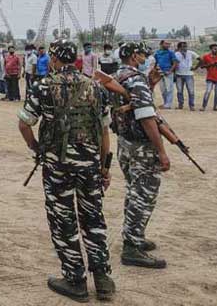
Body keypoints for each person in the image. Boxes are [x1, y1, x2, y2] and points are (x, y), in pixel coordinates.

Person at [17, 39, 115, 303]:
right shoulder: (96, 87)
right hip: (90, 165)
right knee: (93, 218)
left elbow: (24, 124)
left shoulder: (43, 86)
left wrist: (37, 148)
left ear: (55, 59)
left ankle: (75, 280)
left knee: (63, 220)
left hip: (57, 165)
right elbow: (104, 132)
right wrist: (105, 167)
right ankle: (103, 280)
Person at [110, 42, 170, 270]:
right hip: (141, 146)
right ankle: (132, 247)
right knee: (144, 195)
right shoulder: (135, 79)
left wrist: (151, 82)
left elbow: (132, 103)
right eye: (143, 54)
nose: (146, 57)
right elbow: (146, 117)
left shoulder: (119, 76)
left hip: (125, 143)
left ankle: (134, 235)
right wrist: (161, 150)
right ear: (135, 56)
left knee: (134, 191)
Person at [197, 43, 217, 111]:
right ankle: (203, 106)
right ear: (211, 49)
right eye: (214, 49)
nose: (216, 50)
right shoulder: (206, 57)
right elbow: (202, 66)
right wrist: (210, 64)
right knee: (208, 91)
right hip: (210, 77)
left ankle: (215, 107)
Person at [173, 41, 199, 111]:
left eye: (186, 46)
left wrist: (195, 67)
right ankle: (180, 105)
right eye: (183, 46)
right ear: (179, 47)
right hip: (179, 75)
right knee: (179, 91)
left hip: (189, 75)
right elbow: (173, 63)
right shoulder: (176, 54)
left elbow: (200, 59)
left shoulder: (191, 53)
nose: (185, 48)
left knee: (191, 91)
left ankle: (191, 106)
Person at [154, 40, 178, 109]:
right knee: (162, 89)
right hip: (160, 73)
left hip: (168, 72)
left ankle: (168, 104)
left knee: (169, 89)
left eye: (169, 44)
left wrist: (170, 71)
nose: (168, 45)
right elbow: (155, 63)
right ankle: (165, 103)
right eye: (166, 44)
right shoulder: (157, 53)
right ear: (161, 44)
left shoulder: (171, 53)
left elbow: (175, 63)